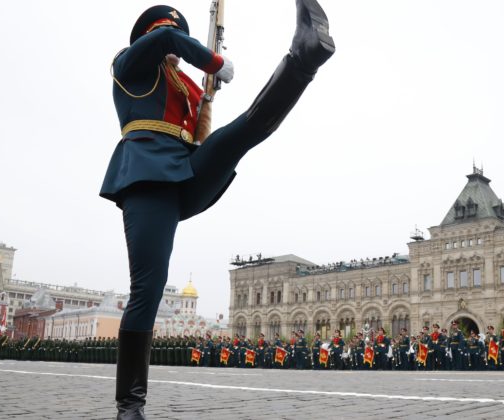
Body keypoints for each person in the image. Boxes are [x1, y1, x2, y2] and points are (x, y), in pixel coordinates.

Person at [101, 1, 335, 416]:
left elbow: (197, 133)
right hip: (146, 179)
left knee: (241, 134)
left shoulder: (187, 87)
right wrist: (213, 60)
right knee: (148, 290)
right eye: (159, 32)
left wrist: (206, 99)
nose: (171, 45)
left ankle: (304, 58)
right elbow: (167, 38)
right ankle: (129, 407)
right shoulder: (128, 65)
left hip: (184, 172)